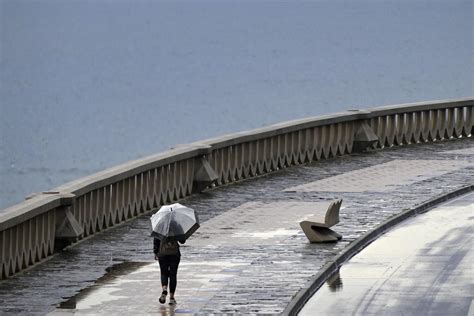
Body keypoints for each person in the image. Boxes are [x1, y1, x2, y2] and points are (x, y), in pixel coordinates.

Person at [153, 237, 185, 305]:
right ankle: (171, 298)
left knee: (164, 273)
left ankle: (164, 289)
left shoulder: (160, 227)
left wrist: (156, 252)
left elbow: (156, 240)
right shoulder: (176, 226)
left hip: (162, 253)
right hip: (174, 253)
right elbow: (182, 241)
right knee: (173, 275)